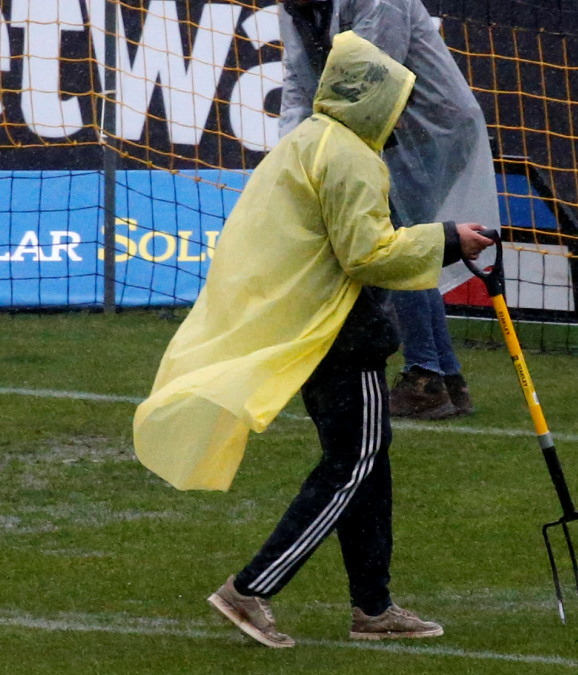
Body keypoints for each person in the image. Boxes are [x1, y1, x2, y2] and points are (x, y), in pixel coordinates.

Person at [132, 32, 494, 647]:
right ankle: (250, 590)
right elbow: (367, 253)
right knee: (353, 465)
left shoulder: (309, 140)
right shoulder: (351, 157)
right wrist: (447, 239)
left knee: (365, 466)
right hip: (341, 332)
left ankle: (373, 610)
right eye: (398, 100)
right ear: (373, 100)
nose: (404, 113)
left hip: (314, 328)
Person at [279, 0, 501, 420]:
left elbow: (372, 74)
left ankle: (426, 377)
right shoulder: (294, 9)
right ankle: (444, 378)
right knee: (404, 236)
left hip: (429, 127)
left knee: (395, 241)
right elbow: (297, 81)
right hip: (388, 127)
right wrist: (288, 152)